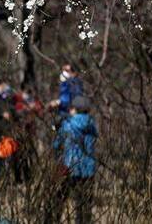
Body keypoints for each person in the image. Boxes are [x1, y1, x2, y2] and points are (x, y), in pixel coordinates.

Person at [46, 95, 98, 224]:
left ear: (74, 109)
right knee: (85, 203)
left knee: (58, 198)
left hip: (70, 167)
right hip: (89, 169)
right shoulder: (92, 125)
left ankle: (52, 221)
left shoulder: (67, 124)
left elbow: (57, 145)